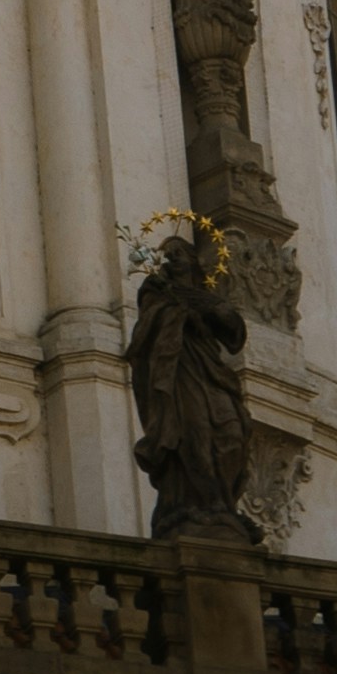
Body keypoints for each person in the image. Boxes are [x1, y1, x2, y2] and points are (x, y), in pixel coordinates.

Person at [126, 221, 253, 532]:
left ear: (194, 261)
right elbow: (143, 337)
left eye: (179, 252)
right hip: (177, 374)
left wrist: (212, 310)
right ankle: (202, 505)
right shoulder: (157, 293)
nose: (173, 257)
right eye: (167, 254)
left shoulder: (206, 296)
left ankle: (223, 502)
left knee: (232, 433)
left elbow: (234, 334)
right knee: (193, 434)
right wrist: (178, 313)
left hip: (210, 370)